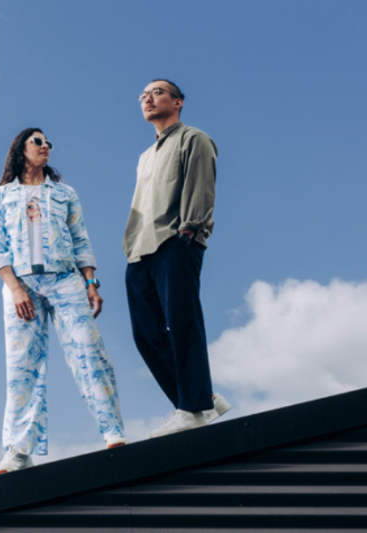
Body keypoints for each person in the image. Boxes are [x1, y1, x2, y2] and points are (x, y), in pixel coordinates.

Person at [0, 128, 126, 474]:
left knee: (88, 351)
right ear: (21, 149)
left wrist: (91, 282)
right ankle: (18, 449)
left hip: (65, 280)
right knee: (22, 367)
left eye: (49, 143)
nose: (45, 146)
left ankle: (113, 430)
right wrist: (15, 288)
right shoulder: (0, 197)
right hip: (20, 285)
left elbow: (81, 239)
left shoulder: (64, 193)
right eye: (38, 141)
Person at [124, 79, 232, 439]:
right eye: (143, 96)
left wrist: (190, 230)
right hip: (140, 250)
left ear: (178, 102)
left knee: (183, 323)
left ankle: (190, 407)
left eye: (156, 93)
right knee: (146, 335)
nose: (148, 99)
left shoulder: (194, 139)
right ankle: (202, 399)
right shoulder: (144, 155)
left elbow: (202, 185)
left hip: (177, 239)